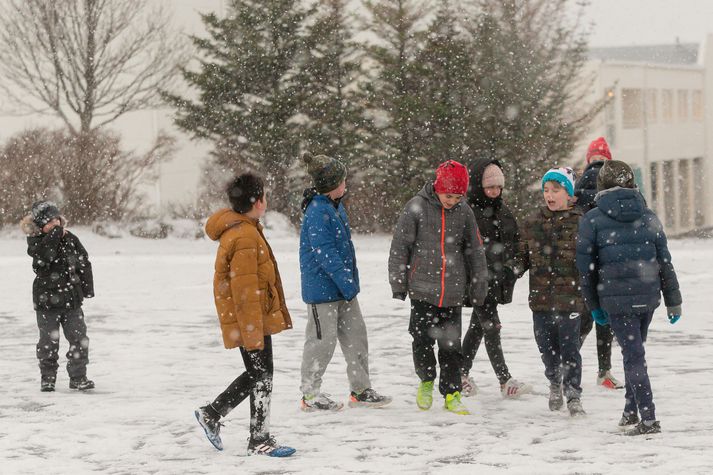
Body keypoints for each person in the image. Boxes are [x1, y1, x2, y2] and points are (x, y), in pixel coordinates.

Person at [576, 160, 682, 436]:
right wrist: (673, 300)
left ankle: (648, 419)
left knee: (633, 357)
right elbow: (664, 262)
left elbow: (586, 270)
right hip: (647, 297)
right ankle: (629, 412)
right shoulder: (648, 216)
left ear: (602, 186)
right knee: (635, 353)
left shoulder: (592, 220)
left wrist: (593, 306)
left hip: (615, 301)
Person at [195, 173, 295, 457]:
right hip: (251, 319)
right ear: (258, 201)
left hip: (252, 318)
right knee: (261, 375)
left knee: (259, 373)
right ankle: (257, 438)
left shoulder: (246, 229)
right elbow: (245, 288)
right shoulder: (245, 236)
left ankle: (214, 414)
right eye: (264, 195)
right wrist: (252, 330)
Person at [389, 160, 488, 415]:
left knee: (451, 347)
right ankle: (426, 380)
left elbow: (475, 250)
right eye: (448, 195)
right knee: (422, 340)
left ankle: (452, 392)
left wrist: (479, 286)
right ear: (437, 187)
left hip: (452, 292)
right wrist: (398, 282)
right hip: (422, 290)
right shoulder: (416, 207)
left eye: (457, 196)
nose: (452, 201)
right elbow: (400, 246)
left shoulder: (464, 211)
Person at [299, 152, 391, 412]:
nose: (345, 185)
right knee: (321, 343)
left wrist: (348, 285)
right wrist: (347, 282)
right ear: (331, 186)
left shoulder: (334, 207)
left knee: (356, 338)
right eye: (342, 181)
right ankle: (310, 394)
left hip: (344, 289)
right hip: (322, 291)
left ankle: (361, 390)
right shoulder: (317, 211)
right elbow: (325, 253)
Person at [461, 157, 532, 398]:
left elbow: (516, 243)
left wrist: (515, 267)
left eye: (498, 187)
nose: (494, 191)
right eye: (490, 187)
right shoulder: (468, 211)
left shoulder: (504, 211)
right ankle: (505, 380)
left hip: (498, 279)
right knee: (492, 327)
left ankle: (460, 374)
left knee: (478, 327)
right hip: (478, 281)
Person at [518, 167, 586, 417]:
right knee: (547, 349)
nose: (549, 194)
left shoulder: (581, 222)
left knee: (570, 349)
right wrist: (507, 271)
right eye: (546, 190)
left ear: (569, 195)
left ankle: (573, 393)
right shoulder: (533, 221)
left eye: (556, 190)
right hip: (541, 300)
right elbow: (521, 257)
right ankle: (554, 381)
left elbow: (591, 259)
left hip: (570, 299)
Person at [21, 201, 95, 392]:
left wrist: (87, 289)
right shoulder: (35, 241)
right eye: (49, 222)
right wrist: (54, 235)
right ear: (40, 226)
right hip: (47, 302)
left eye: (56, 220)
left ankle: (78, 377)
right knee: (48, 344)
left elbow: (83, 262)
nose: (54, 225)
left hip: (71, 300)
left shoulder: (70, 238)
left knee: (79, 339)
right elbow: (43, 259)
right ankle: (48, 378)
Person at [573, 137, 623, 390]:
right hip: (608, 260)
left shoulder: (578, 186)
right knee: (605, 318)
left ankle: (568, 364)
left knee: (585, 316)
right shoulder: (614, 187)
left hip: (586, 261)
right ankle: (604, 370)